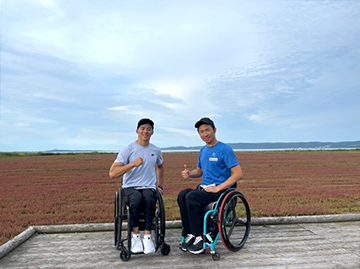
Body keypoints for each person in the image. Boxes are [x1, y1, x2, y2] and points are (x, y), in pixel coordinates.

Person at [177, 117, 243, 254]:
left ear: (214, 130)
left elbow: (237, 174)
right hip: (206, 189)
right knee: (182, 195)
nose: (205, 134)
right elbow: (200, 171)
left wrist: (218, 188)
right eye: (201, 132)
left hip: (221, 190)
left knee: (191, 197)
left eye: (207, 130)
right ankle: (189, 233)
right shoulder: (203, 150)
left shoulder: (225, 149)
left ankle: (199, 236)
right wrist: (190, 174)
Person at [109, 118, 164, 254]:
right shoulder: (128, 150)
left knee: (150, 198)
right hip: (130, 186)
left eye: (148, 129)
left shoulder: (155, 150)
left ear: (152, 132)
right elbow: (113, 173)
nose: (145, 131)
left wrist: (160, 185)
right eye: (143, 128)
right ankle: (135, 236)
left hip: (148, 186)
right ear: (137, 131)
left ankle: (147, 236)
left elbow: (161, 166)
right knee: (137, 199)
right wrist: (132, 164)